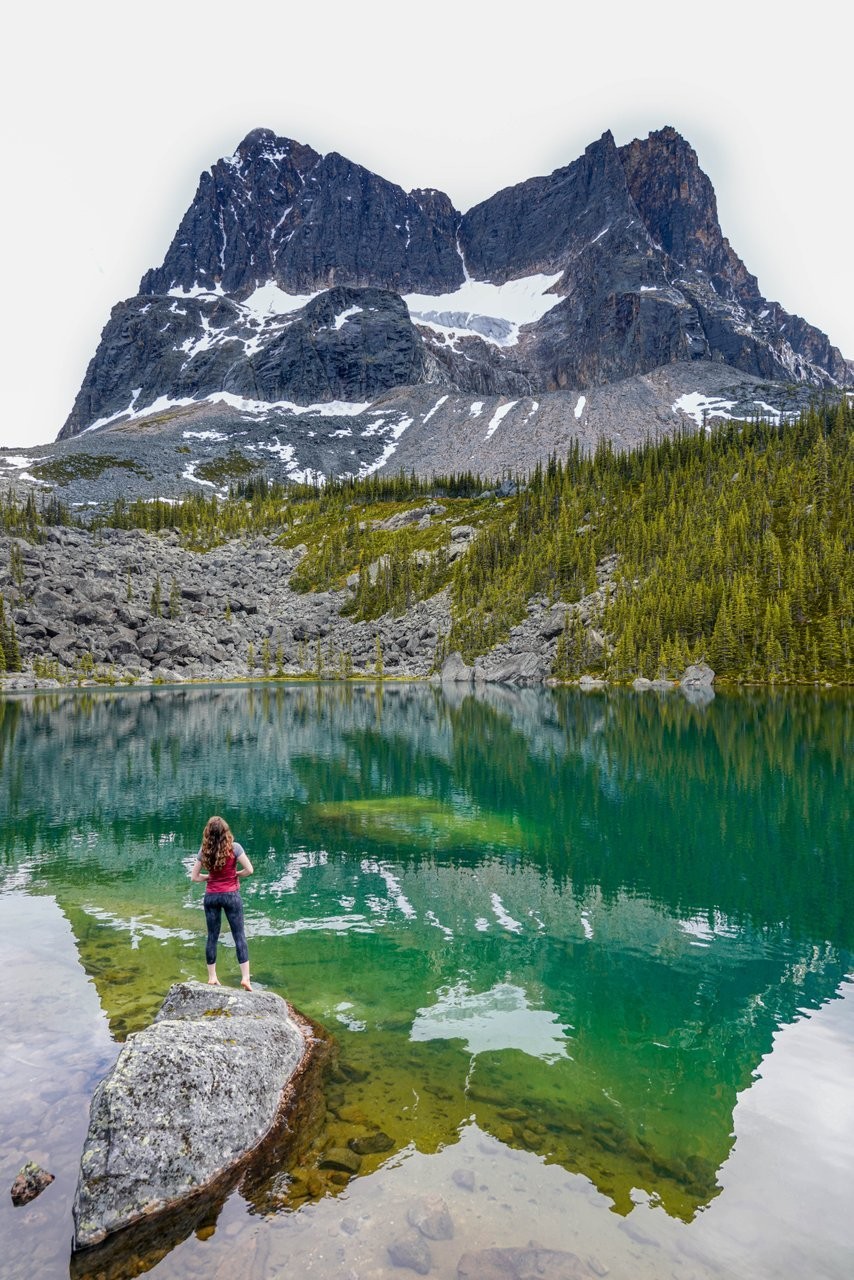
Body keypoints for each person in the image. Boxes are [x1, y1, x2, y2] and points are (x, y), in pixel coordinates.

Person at [190, 815, 254, 990]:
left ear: (208, 833)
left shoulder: (204, 851)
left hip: (211, 896)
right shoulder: (235, 848)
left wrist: (209, 878)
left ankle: (212, 977)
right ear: (226, 831)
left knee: (212, 937)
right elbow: (249, 870)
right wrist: (235, 875)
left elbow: (194, 877)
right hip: (231, 895)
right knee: (239, 935)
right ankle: (246, 979)